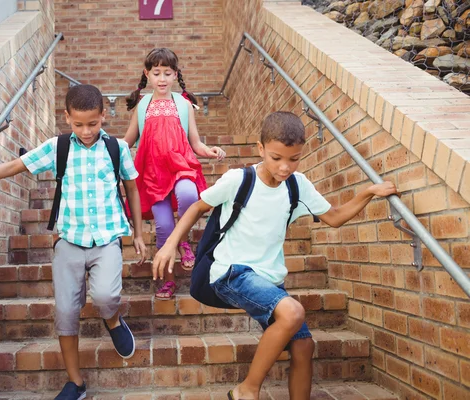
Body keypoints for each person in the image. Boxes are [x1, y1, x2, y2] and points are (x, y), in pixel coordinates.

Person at [152, 111, 398, 400]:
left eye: (293, 159)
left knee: (303, 346)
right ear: (260, 149)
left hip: (268, 278)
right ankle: (246, 390)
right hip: (232, 271)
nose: (284, 167)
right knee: (293, 311)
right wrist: (170, 244)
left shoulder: (298, 185)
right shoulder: (238, 180)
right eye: (276, 158)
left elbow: (334, 217)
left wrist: (368, 192)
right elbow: (196, 207)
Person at [0, 84, 147, 400]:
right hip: (68, 241)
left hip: (107, 239)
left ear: (103, 116)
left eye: (93, 123)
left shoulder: (116, 148)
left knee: (105, 296)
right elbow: (14, 166)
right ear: (67, 118)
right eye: (78, 124)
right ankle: (76, 383)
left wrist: (139, 234)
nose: (86, 131)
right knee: (65, 312)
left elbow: (132, 188)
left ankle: (114, 320)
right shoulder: (57, 147)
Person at [123, 47, 226, 300]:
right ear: (147, 74)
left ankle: (182, 240)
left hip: (180, 165)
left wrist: (209, 150)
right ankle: (168, 281)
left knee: (190, 194)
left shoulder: (183, 104)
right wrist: (106, 149)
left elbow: (195, 142)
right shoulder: (142, 105)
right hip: (152, 175)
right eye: (156, 73)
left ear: (175, 75)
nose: (161, 78)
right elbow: (127, 141)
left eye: (167, 73)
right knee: (163, 227)